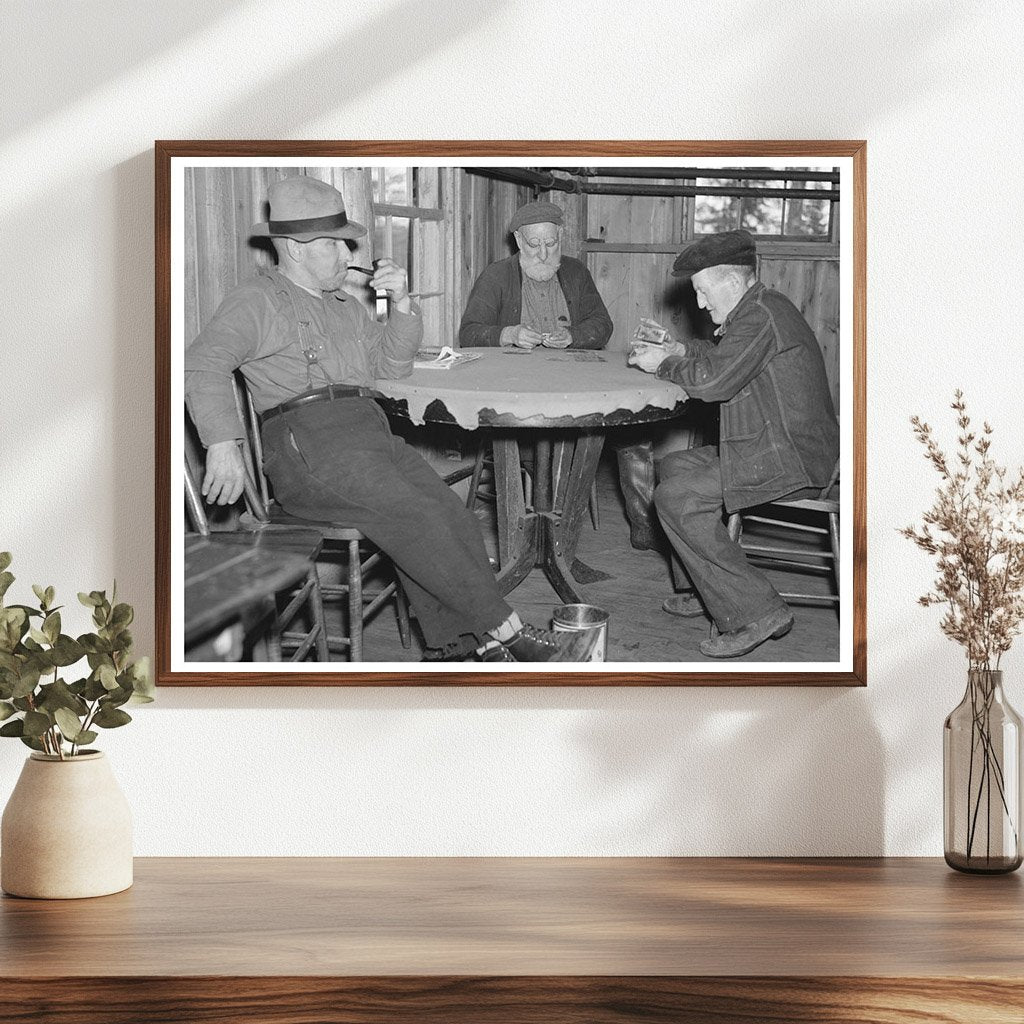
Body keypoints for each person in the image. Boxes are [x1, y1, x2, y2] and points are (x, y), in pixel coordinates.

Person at [185, 175, 592, 664]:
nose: (347, 254)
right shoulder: (258, 299)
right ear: (294, 247)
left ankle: (458, 648)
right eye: (336, 244)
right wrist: (222, 443)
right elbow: (202, 361)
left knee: (451, 515)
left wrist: (401, 306)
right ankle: (508, 632)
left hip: (366, 432)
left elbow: (390, 368)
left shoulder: (343, 308)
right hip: (309, 446)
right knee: (415, 516)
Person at [629, 229, 839, 659]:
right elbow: (722, 357)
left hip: (795, 460)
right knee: (675, 467)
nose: (701, 304)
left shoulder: (760, 316)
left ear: (734, 281)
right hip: (776, 445)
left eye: (705, 292)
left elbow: (716, 381)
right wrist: (680, 348)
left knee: (677, 498)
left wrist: (664, 364)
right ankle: (708, 588)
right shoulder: (758, 309)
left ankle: (758, 611)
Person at [458, 199, 660, 551]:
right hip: (516, 390)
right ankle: (551, 530)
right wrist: (508, 334)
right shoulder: (497, 275)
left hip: (574, 382)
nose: (542, 253)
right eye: (534, 245)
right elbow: (469, 333)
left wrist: (575, 337)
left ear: (561, 238)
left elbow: (603, 324)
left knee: (634, 425)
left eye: (550, 243)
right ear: (519, 241)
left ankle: (643, 522)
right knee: (558, 436)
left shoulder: (575, 272)